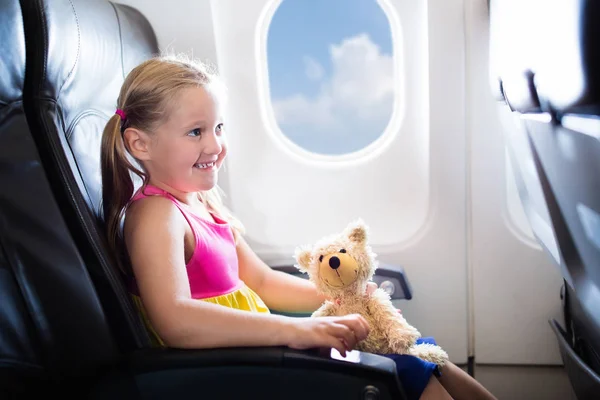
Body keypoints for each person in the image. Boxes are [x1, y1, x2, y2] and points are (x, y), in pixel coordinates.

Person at [100, 54, 497, 400]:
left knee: (422, 353)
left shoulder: (200, 203)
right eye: (195, 132)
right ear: (140, 144)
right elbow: (175, 322)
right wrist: (298, 332)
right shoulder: (156, 215)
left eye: (219, 128)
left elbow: (262, 281)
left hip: (254, 347)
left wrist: (342, 298)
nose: (215, 146)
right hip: (224, 365)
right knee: (403, 372)